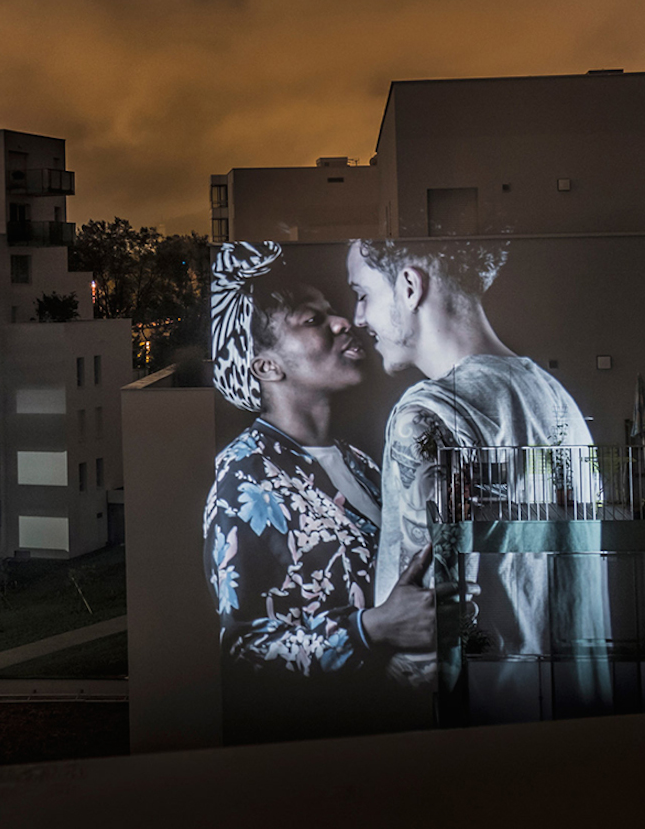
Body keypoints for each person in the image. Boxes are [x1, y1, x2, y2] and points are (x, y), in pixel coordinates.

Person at [346, 238, 611, 718]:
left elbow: (420, 654)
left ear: (409, 286)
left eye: (363, 294)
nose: (358, 317)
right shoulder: (557, 399)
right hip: (582, 726)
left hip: (486, 747)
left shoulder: (426, 414)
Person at [205, 241, 439, 741]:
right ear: (266, 367)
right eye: (312, 320)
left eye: (334, 310)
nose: (342, 322)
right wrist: (371, 629)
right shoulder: (244, 478)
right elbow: (243, 650)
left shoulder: (362, 462)